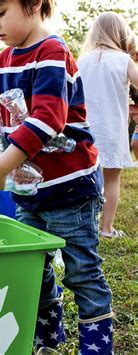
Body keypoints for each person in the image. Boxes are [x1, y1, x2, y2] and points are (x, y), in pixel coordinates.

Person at [0, 1, 113, 353]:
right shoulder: (6, 59)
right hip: (28, 190)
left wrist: (1, 167)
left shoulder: (52, 51)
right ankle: (46, 339)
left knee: (81, 271)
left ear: (33, 4)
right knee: (33, 268)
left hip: (70, 189)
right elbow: (18, 126)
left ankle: (96, 347)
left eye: (0, 13)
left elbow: (47, 121)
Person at [78, 12, 138, 238]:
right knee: (112, 179)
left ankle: (86, 225)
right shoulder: (123, 60)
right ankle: (106, 228)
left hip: (84, 131)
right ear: (121, 34)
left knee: (86, 178)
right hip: (112, 129)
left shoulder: (81, 60)